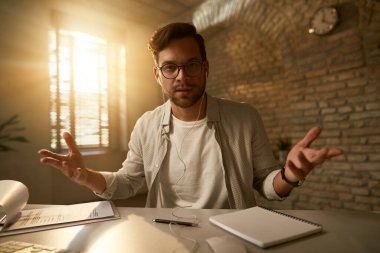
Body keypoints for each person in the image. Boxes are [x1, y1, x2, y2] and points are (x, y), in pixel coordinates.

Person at [38, 22, 343, 209]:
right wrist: (85, 176)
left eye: (192, 65)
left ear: (205, 68)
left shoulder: (244, 117)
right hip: (165, 235)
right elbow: (127, 183)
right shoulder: (146, 124)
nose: (181, 76)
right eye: (170, 67)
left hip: (233, 234)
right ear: (158, 75)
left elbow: (265, 185)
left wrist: (289, 176)